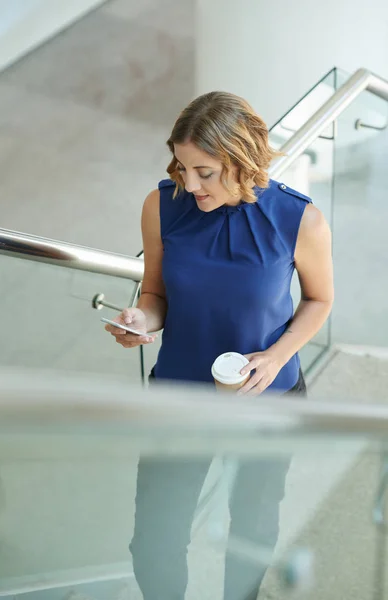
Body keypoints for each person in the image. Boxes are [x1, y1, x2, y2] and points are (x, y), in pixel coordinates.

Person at [105, 91, 334, 599]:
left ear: (242, 159)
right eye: (182, 167)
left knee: (251, 531)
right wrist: (141, 319)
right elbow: (156, 292)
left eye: (204, 172)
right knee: (155, 541)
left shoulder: (301, 220)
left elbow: (319, 300)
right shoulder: (163, 206)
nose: (189, 183)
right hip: (179, 397)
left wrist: (276, 357)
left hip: (268, 400)